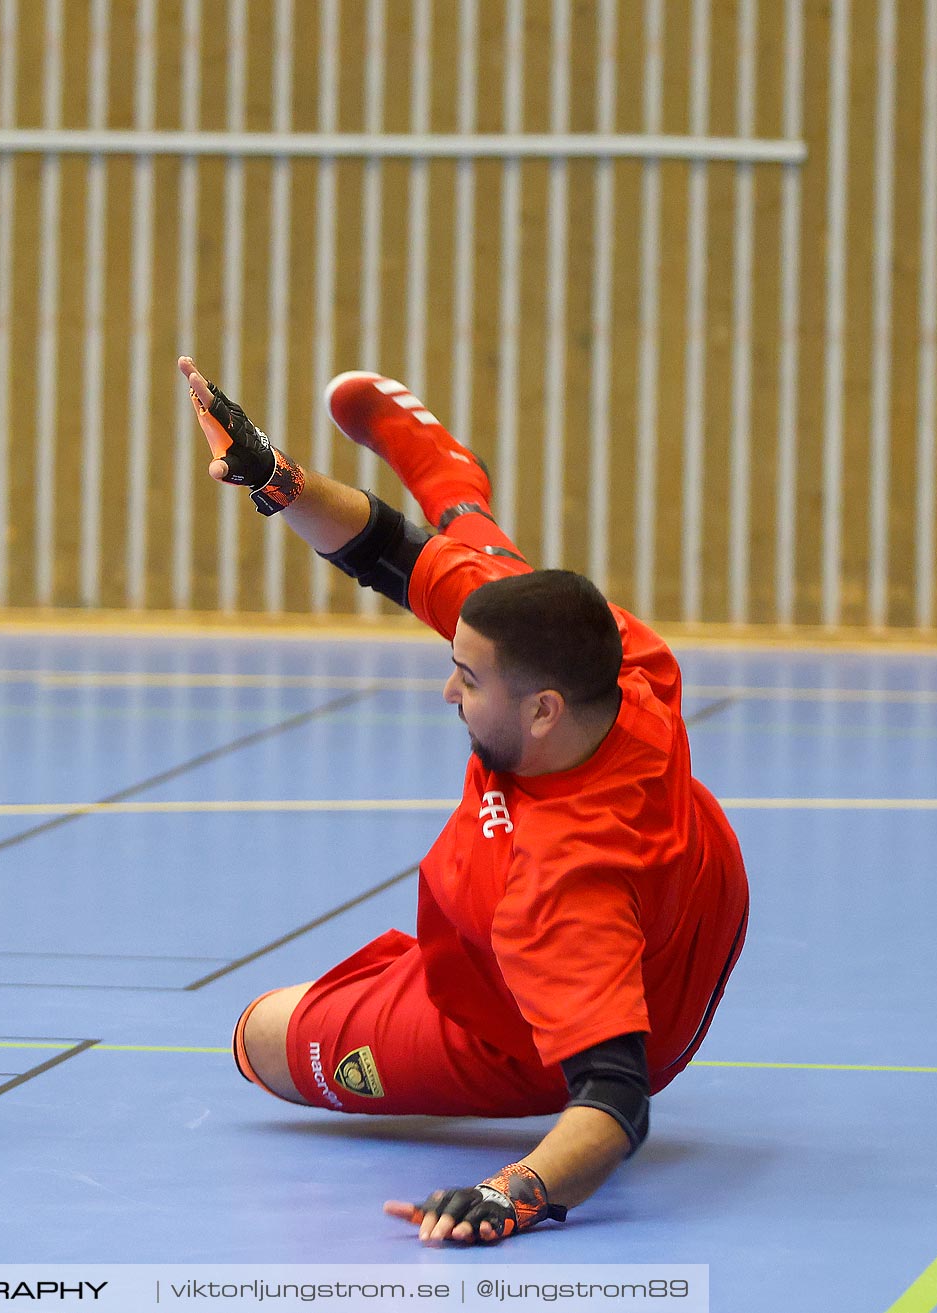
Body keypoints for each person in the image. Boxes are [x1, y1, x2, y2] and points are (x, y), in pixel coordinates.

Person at [178, 356, 749, 1245]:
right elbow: (385, 552)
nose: (448, 691)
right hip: (672, 902)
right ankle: (445, 475)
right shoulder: (625, 664)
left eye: (465, 676)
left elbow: (616, 1105)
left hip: (514, 1025)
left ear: (543, 710)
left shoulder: (563, 890)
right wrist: (273, 478)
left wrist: (512, 1192)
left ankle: (459, 490)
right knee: (478, 566)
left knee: (261, 1038)